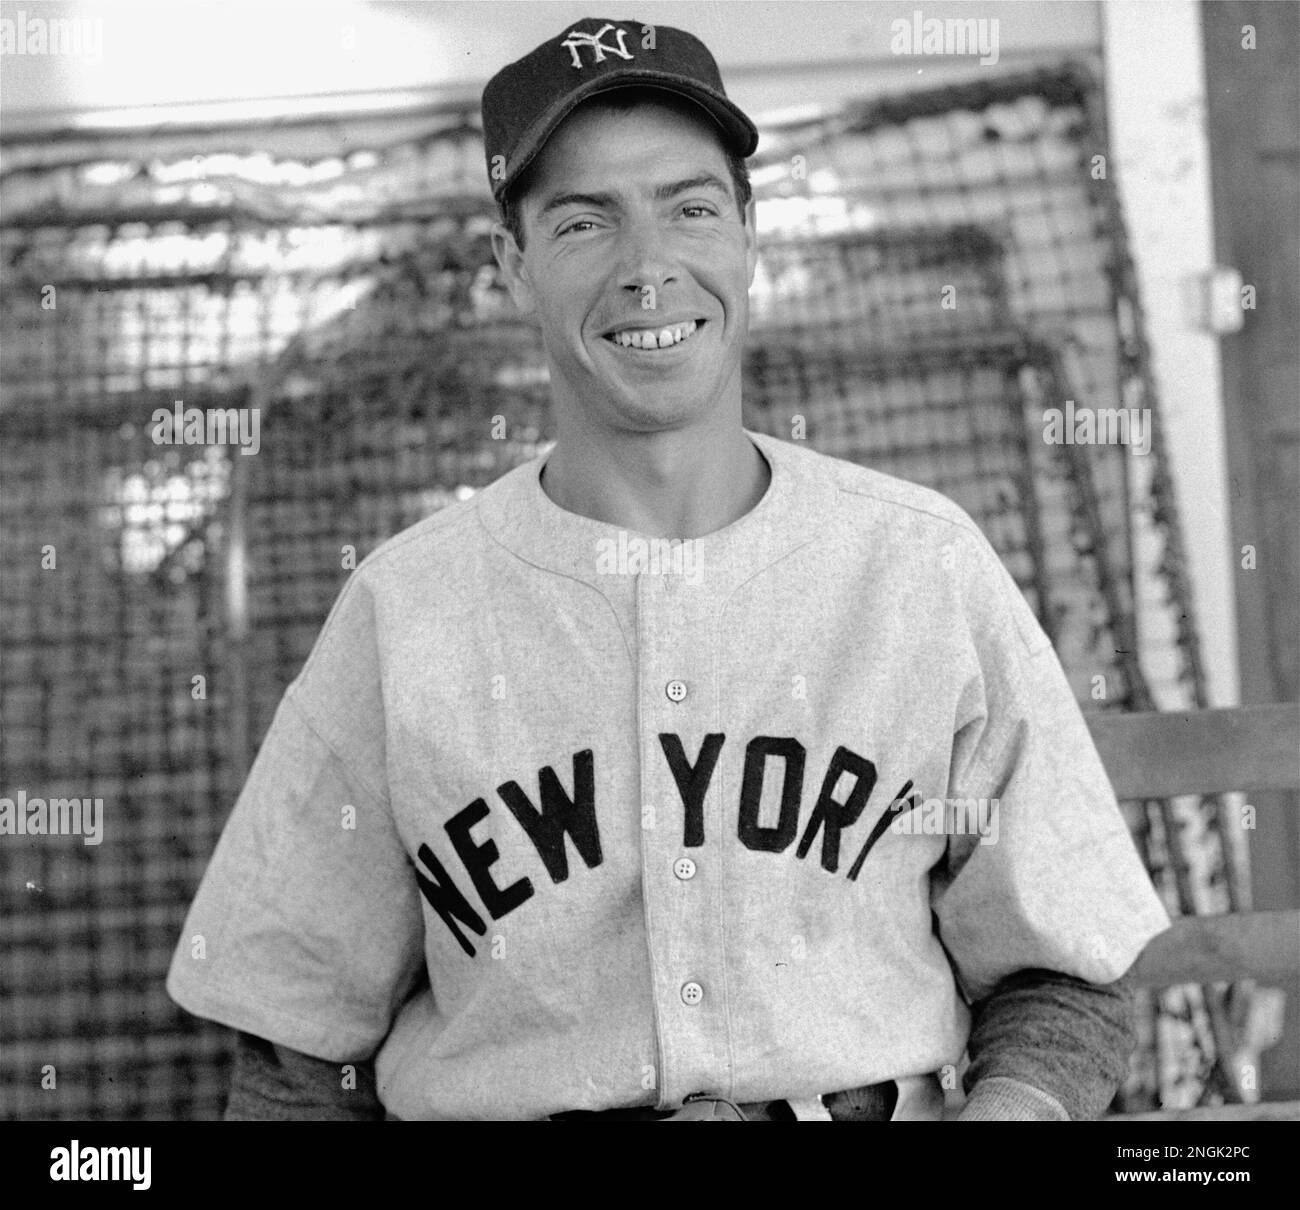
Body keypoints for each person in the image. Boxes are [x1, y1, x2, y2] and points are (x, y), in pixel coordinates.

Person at [167, 17, 1171, 1122]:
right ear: (510, 264)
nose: (649, 268)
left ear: (747, 230)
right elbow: (299, 1057)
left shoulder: (916, 562)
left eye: (691, 208)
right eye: (586, 221)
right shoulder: (403, 609)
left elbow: (1063, 974)